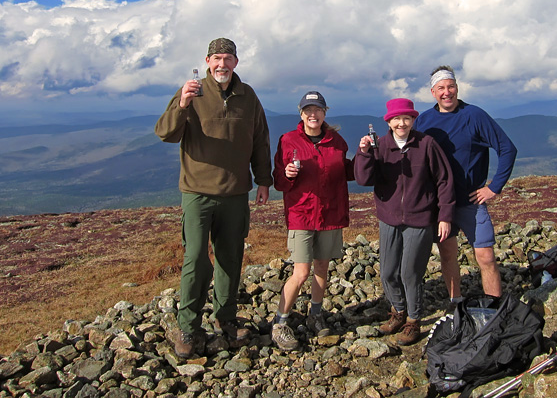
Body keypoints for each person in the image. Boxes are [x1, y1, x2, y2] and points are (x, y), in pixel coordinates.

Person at [155, 37, 273, 358]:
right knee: (195, 258)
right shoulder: (191, 92)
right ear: (207, 61)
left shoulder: (247, 96)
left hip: (236, 193)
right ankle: (189, 328)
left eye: (228, 59)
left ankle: (226, 320)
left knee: (230, 258)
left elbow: (260, 140)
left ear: (236, 62)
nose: (222, 64)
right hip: (197, 193)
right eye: (216, 58)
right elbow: (165, 133)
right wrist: (182, 104)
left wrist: (264, 180)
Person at [355, 98, 454, 345]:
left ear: (413, 120)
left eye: (407, 118)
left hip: (420, 218)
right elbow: (363, 179)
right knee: (388, 271)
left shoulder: (426, 144)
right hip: (388, 218)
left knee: (410, 272)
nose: (402, 123)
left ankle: (413, 320)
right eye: (397, 119)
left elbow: (444, 181)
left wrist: (444, 216)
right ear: (388, 121)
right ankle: (398, 311)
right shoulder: (380, 145)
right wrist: (364, 153)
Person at [414, 66, 517, 302]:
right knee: (448, 255)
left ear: (457, 88)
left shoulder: (475, 115)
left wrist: (494, 187)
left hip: (471, 201)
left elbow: (507, 148)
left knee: (486, 256)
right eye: (441, 88)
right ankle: (455, 302)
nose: (447, 92)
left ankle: (493, 306)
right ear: (433, 92)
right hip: (441, 206)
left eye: (451, 86)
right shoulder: (424, 121)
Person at [271, 91, 354, 351]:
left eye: (317, 109)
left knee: (322, 266)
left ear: (324, 112)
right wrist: (287, 173)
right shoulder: (288, 140)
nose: (313, 114)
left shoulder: (336, 141)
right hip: (301, 213)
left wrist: (367, 158)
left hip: (329, 213)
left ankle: (315, 314)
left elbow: (346, 172)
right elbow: (279, 182)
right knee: (301, 271)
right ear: (301, 114)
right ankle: (279, 322)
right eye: (308, 110)